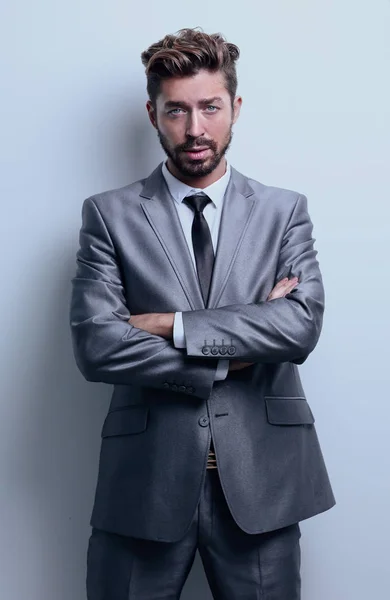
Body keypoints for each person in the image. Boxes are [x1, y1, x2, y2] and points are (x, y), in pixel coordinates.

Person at [70, 27, 335, 600]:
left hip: (263, 485)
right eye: (177, 111)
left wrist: (171, 324)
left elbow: (299, 325)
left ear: (234, 108)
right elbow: (97, 345)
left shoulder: (284, 211)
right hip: (144, 483)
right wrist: (235, 351)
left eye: (210, 108)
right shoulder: (108, 215)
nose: (195, 130)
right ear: (152, 113)